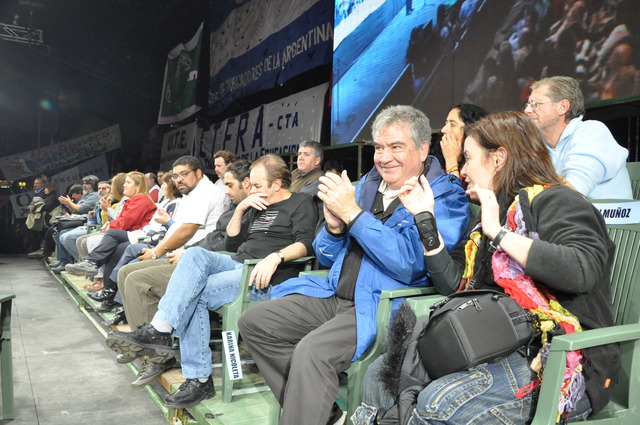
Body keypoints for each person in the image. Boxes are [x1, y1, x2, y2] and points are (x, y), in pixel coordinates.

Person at [352, 111, 620, 425]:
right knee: (381, 375)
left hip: (560, 357)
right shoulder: (492, 213)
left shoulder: (558, 201)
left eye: (467, 158)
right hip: (494, 341)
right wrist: (425, 218)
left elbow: (581, 271)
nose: (462, 170)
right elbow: (453, 285)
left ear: (498, 158)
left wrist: (499, 233)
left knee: (439, 402)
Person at [237, 105, 469, 425]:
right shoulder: (364, 187)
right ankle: (328, 416)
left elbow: (412, 265)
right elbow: (325, 255)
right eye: (379, 147)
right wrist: (333, 229)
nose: (384, 157)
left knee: (312, 352)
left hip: (383, 306)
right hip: (335, 294)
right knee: (255, 321)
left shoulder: (445, 195)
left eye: (396, 146)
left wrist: (355, 217)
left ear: (422, 148)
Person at [106, 155, 318, 406]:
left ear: (277, 184)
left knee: (195, 294)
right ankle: (162, 328)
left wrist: (275, 257)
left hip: (266, 275)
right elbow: (233, 243)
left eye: (257, 185)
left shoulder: (301, 203)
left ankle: (197, 377)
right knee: (193, 254)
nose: (252, 190)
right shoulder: (258, 205)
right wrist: (241, 209)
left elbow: (306, 243)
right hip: (237, 263)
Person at [102, 161, 252, 385]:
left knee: (136, 280)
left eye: (229, 185)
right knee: (126, 272)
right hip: (194, 254)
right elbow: (207, 238)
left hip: (210, 262)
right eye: (175, 176)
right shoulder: (230, 206)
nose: (225, 190)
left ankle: (159, 354)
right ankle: (149, 344)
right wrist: (182, 251)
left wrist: (170, 252)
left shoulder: (224, 200)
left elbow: (221, 245)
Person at [525, 75, 632, 199]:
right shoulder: (538, 144)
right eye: (528, 104)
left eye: (535, 104)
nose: (527, 110)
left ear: (563, 107)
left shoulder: (592, 132)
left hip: (603, 211)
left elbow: (573, 191)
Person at [64, 172, 158, 311]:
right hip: (132, 234)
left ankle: (92, 265)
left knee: (113, 239)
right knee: (111, 250)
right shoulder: (132, 199)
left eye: (128, 182)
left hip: (140, 236)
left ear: (138, 186)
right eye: (124, 182)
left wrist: (110, 224)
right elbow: (122, 222)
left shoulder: (141, 199)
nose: (124, 185)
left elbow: (124, 223)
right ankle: (107, 296)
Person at [439, 103, 488, 180]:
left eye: (452, 124)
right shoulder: (439, 161)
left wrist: (451, 161)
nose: (443, 130)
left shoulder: (481, 164)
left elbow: (455, 188)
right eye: (446, 123)